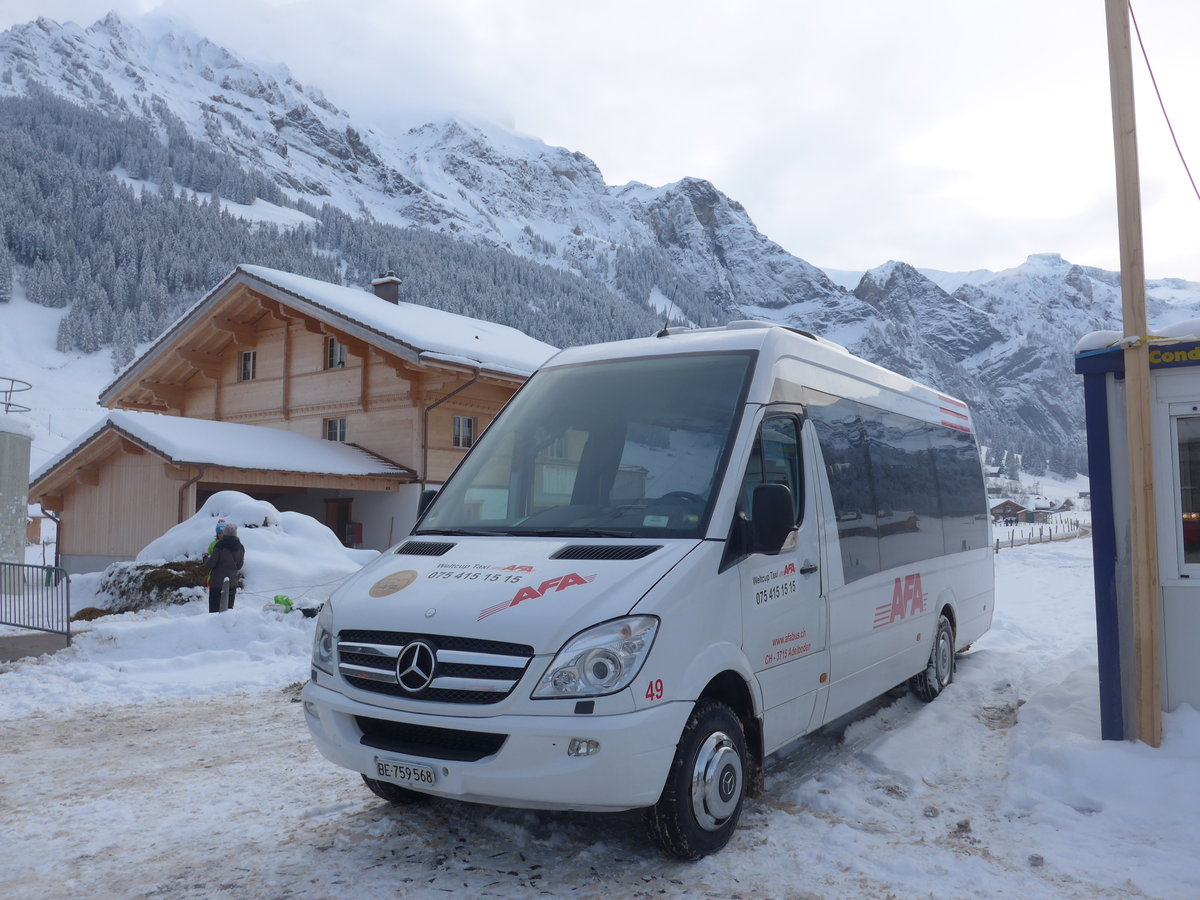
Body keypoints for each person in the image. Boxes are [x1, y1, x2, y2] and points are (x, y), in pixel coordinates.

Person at [204, 522, 245, 613]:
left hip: (217, 584)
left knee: (214, 613)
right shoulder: (240, 547)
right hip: (231, 584)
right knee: (228, 612)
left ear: (225, 533)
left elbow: (211, 564)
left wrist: (205, 559)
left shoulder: (219, 546)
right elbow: (239, 565)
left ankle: (213, 627)